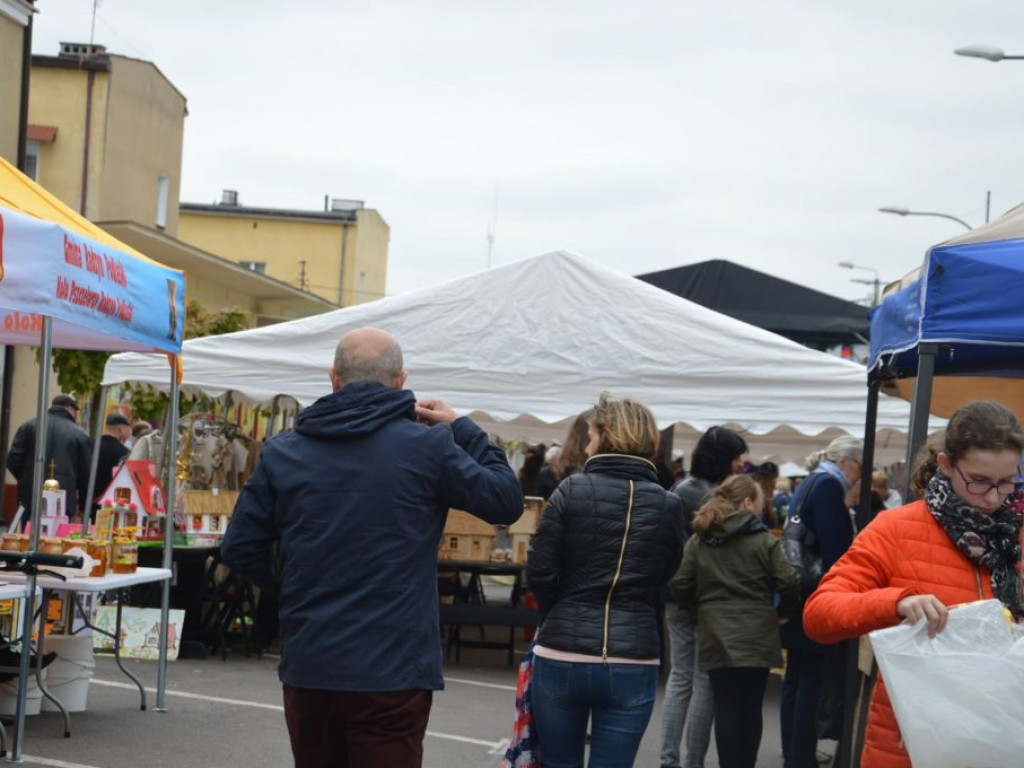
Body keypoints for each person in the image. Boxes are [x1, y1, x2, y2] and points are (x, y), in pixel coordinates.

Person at [220, 327, 522, 768]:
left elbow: (241, 547)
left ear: (333, 378)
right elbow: (506, 501)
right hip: (394, 667)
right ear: (401, 380)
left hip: (313, 662)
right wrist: (461, 428)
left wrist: (298, 579)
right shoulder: (429, 447)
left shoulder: (284, 451)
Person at [804, 400, 1024, 768]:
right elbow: (819, 614)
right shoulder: (896, 530)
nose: (992, 497)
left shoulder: (1015, 534)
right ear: (946, 465)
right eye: (979, 481)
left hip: (1004, 739)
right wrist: (895, 603)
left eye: (1007, 482)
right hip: (910, 747)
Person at [526, 393, 684, 768]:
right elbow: (668, 572)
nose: (588, 441)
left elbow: (540, 569)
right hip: (634, 654)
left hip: (563, 650)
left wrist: (558, 612)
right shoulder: (668, 504)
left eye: (593, 433)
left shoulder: (571, 489)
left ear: (608, 436)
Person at [671, 474, 801, 768]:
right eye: (759, 501)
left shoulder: (701, 538)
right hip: (757, 633)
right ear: (746, 502)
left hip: (715, 633)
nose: (762, 507)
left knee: (726, 707)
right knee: (751, 707)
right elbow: (789, 582)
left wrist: (701, 609)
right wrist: (783, 612)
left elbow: (679, 584)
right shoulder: (764, 540)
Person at [659, 425, 747, 768]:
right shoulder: (714, 499)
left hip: (675, 594)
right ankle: (693, 761)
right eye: (737, 457)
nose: (741, 464)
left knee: (680, 677)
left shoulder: (681, 489)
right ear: (724, 459)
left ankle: (669, 760)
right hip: (707, 597)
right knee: (703, 681)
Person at [778, 435, 863, 768]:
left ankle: (793, 753)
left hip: (797, 592)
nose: (860, 475)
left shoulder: (809, 481)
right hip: (815, 594)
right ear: (845, 461)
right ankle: (801, 758)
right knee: (809, 680)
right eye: (859, 466)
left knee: (796, 678)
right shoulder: (829, 486)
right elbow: (836, 551)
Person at [6, 394, 92, 521]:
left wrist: (27, 478)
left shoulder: (28, 426)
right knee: (58, 538)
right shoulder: (80, 435)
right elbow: (86, 473)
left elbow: (13, 460)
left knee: (27, 536)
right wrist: (83, 506)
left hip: (30, 497)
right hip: (63, 501)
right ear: (69, 409)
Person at [93, 413, 131, 504]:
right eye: (128, 430)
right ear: (121, 429)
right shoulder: (123, 452)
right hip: (110, 501)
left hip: (89, 497)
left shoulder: (91, 445)